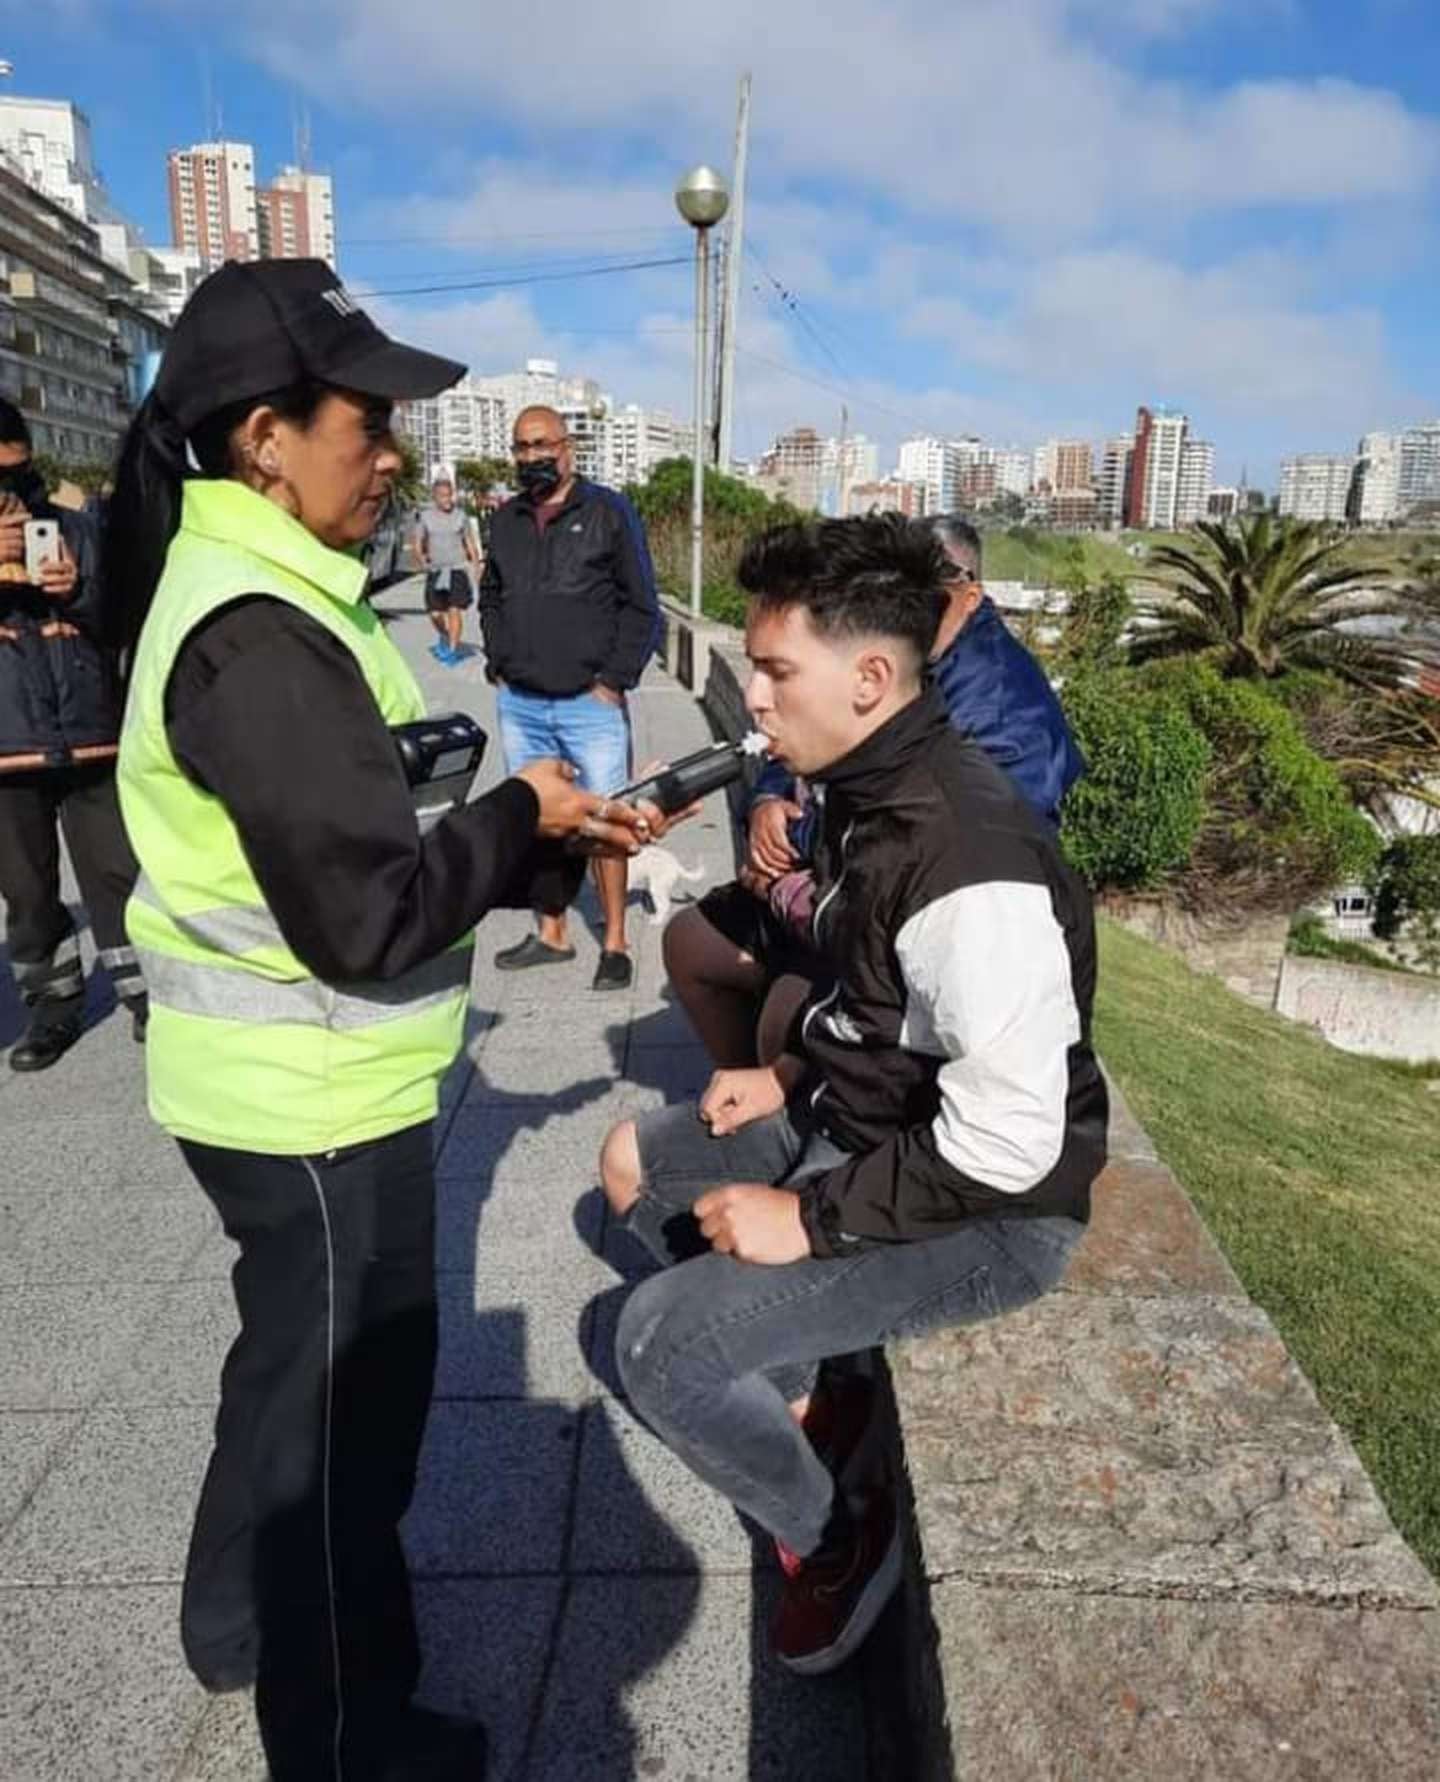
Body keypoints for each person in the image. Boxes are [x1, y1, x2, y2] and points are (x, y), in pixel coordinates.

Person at [105, 258, 651, 1782]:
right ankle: (345, 1737)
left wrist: (530, 831)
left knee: (284, 1371)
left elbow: (342, 854)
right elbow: (366, 917)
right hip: (316, 1102)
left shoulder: (248, 589)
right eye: (368, 416)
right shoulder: (259, 631)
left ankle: (232, 1618)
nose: (396, 448)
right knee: (345, 1445)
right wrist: (516, 811)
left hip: (268, 1088)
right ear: (263, 437)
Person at [598, 514, 1107, 1677]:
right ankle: (806, 1393)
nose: (756, 704)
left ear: (872, 677)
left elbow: (1017, 1143)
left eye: (775, 673)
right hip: (859, 1124)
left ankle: (834, 1536)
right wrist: (775, 1069)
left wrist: (808, 1220)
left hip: (985, 1215)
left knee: (656, 1343)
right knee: (634, 1159)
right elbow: (876, 1001)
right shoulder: (870, 787)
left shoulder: (964, 853)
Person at [664, 511, 1085, 1066]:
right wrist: (768, 798)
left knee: (785, 1020)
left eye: (935, 583)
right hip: (829, 879)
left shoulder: (1003, 708)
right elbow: (795, 730)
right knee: (689, 942)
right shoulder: (880, 653)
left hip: (880, 907)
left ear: (971, 595)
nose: (755, 697)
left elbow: (935, 844)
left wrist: (788, 868)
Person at [478, 406, 659, 991]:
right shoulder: (504, 519)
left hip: (591, 702)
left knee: (606, 821)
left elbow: (642, 605)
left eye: (541, 444)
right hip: (522, 703)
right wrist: (499, 662)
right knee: (539, 819)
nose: (531, 456)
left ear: (567, 449)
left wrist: (613, 681)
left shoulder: (608, 511)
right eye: (520, 447)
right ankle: (551, 932)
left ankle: (614, 942)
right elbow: (492, 596)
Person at [0, 400, 146, 1069]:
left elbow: (121, 619)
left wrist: (78, 585)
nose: (13, 496)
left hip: (91, 737)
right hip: (8, 748)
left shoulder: (77, 530)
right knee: (27, 893)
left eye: (21, 475)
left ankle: (150, 995)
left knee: (119, 874)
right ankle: (52, 1007)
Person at [413, 474, 481, 665]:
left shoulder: (461, 516)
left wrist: (476, 566)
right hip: (436, 570)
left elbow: (469, 542)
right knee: (435, 613)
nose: (447, 499)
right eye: (442, 496)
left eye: (450, 495)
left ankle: (452, 650)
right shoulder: (426, 517)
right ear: (435, 497)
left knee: (454, 610)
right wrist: (422, 561)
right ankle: (446, 635)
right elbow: (417, 543)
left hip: (457, 569)